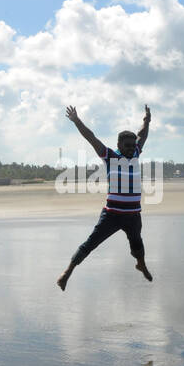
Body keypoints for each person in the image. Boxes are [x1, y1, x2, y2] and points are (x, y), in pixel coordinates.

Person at [57, 104, 153, 290]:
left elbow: (142, 135)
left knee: (137, 243)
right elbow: (91, 137)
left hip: (133, 215)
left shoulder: (135, 153)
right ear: (118, 146)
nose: (131, 148)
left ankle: (141, 264)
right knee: (91, 243)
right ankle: (67, 272)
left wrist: (147, 120)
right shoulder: (110, 156)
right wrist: (76, 121)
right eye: (127, 146)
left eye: (133, 145)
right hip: (112, 214)